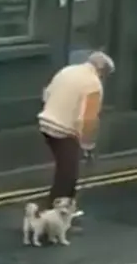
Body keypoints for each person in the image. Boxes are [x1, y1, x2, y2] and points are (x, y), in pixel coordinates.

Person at [37, 51, 115, 211]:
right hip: (63, 129)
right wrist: (88, 145)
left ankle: (63, 206)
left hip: (45, 122)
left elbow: (46, 94)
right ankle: (56, 209)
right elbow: (88, 119)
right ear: (103, 71)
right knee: (68, 173)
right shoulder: (93, 84)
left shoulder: (67, 70)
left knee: (66, 167)